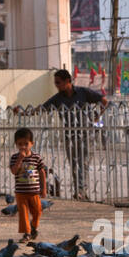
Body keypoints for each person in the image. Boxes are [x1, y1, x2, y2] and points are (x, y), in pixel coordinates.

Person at [40, 68, 106, 198]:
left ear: (67, 81)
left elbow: (104, 101)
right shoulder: (57, 98)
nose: (57, 86)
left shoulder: (83, 92)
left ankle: (80, 191)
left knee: (83, 163)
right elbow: (41, 109)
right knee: (75, 164)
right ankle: (80, 191)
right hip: (69, 136)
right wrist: (23, 112)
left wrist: (97, 116)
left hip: (86, 135)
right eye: (56, 83)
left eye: (58, 83)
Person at [9, 127, 47, 240]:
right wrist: (20, 159)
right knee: (23, 214)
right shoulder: (15, 157)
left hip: (34, 192)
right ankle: (27, 233)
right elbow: (14, 171)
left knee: (38, 211)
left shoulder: (36, 157)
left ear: (32, 144)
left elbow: (42, 172)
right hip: (21, 192)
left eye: (26, 144)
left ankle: (33, 227)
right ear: (16, 144)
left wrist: (43, 188)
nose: (23, 147)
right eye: (20, 144)